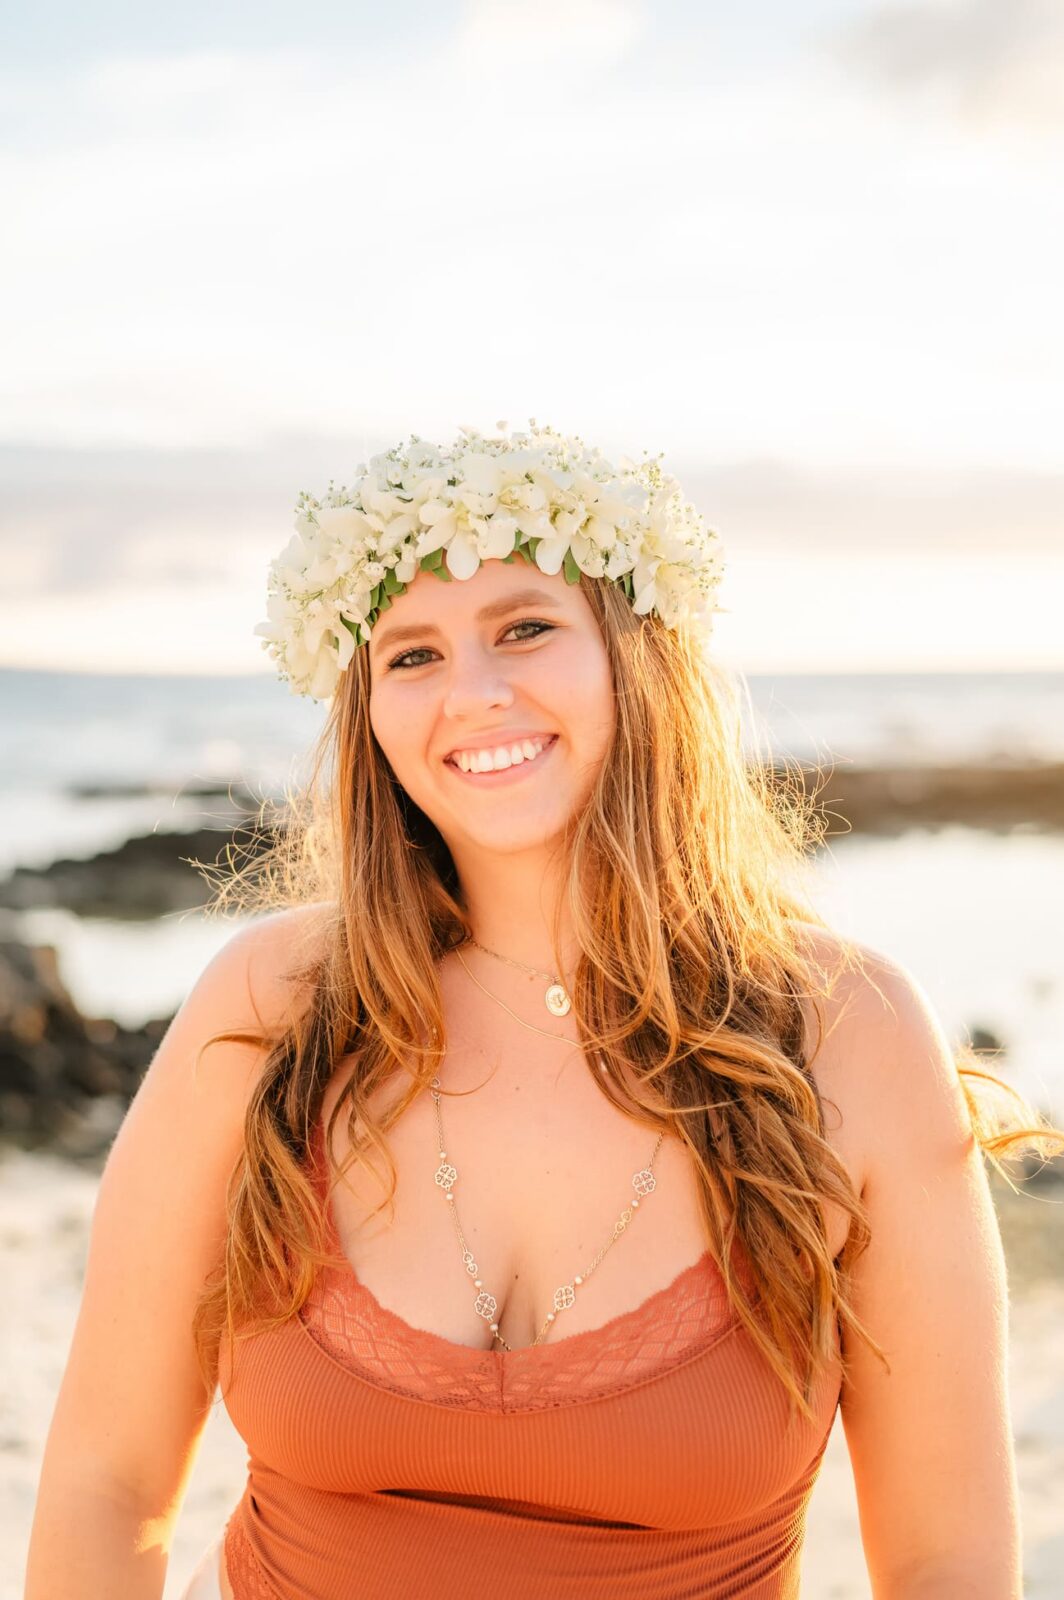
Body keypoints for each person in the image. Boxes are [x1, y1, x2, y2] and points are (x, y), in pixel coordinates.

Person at [24, 421, 1060, 1600]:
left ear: (635, 655)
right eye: (408, 656)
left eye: (524, 627)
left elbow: (945, 1563)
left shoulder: (844, 1032)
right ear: (367, 711)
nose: (472, 693)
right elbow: (107, 1482)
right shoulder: (266, 1009)